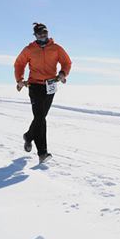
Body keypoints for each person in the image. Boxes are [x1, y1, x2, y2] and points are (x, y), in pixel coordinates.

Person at [14, 22, 72, 162]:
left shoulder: (56, 48)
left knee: (40, 117)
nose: (43, 35)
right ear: (35, 35)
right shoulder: (29, 49)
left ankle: (28, 136)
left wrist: (63, 73)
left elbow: (67, 62)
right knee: (40, 118)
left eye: (45, 32)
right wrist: (20, 79)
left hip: (50, 85)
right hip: (35, 85)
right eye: (40, 33)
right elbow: (19, 64)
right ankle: (42, 153)